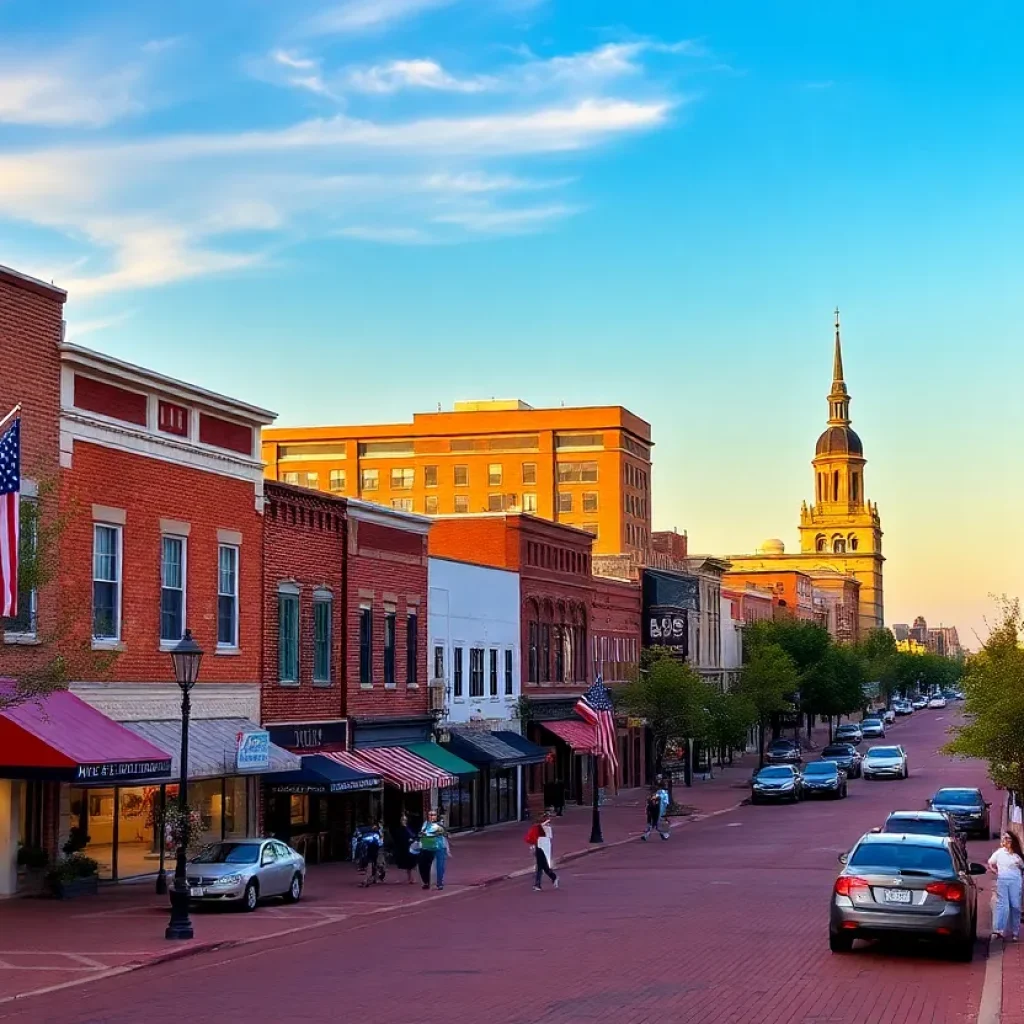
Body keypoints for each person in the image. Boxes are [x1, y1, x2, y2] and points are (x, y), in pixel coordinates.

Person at [988, 831, 1024, 941]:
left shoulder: (1017, 855)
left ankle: (1015, 931)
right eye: (1004, 838)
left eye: (1007, 838)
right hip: (1002, 881)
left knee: (1015, 906)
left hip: (1015, 882)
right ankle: (999, 930)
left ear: (1012, 841)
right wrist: (995, 871)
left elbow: (1022, 867)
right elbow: (990, 862)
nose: (1005, 840)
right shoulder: (999, 853)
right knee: (1003, 905)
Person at [525, 809, 559, 891]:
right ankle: (552, 878)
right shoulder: (539, 826)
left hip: (543, 846)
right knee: (543, 866)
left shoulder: (545, 826)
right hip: (539, 845)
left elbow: (547, 835)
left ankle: (538, 884)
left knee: (541, 865)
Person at [418, 809, 447, 890]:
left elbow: (440, 832)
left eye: (433, 815)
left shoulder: (440, 825)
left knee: (440, 866)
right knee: (423, 865)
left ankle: (439, 883)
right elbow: (422, 833)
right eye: (430, 815)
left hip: (439, 847)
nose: (432, 816)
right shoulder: (425, 823)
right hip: (428, 847)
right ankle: (426, 882)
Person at [390, 814, 417, 885]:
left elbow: (412, 835)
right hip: (402, 848)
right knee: (404, 864)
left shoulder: (408, 828)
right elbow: (398, 838)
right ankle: (406, 878)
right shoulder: (399, 829)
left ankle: (410, 878)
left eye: (405, 820)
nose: (403, 821)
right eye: (402, 820)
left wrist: (412, 839)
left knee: (410, 864)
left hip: (409, 847)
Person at [358, 822, 384, 887]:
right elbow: (363, 840)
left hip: (376, 851)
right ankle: (368, 879)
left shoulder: (378, 834)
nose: (374, 827)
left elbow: (380, 843)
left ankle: (372, 878)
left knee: (376, 865)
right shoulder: (371, 834)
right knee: (371, 864)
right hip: (371, 851)